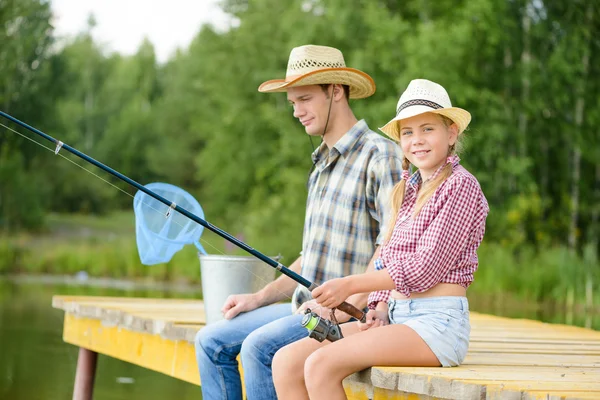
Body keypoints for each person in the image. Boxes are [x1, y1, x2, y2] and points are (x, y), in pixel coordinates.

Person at [194, 44, 404, 399]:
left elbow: (392, 247)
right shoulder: (320, 164)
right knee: (209, 340)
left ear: (336, 91)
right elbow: (310, 258)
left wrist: (342, 301)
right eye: (292, 103)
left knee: (259, 349)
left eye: (304, 99)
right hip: (302, 308)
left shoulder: (380, 154)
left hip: (348, 316)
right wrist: (258, 297)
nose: (297, 112)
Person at [272, 79, 490, 399]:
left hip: (436, 327)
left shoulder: (460, 186)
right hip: (398, 319)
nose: (417, 140)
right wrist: (378, 306)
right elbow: (389, 257)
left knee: (320, 365)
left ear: (451, 132)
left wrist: (349, 285)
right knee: (286, 361)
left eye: (427, 129)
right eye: (408, 132)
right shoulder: (407, 190)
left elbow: (423, 269)